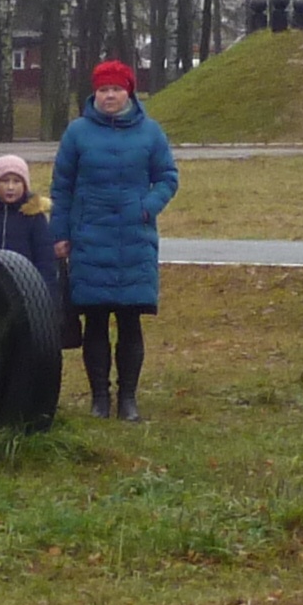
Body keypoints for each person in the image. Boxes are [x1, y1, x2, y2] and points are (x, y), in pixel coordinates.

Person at [50, 58, 180, 421]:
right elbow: (61, 187)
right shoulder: (77, 133)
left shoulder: (150, 133)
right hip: (89, 236)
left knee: (129, 321)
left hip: (133, 238)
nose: (110, 96)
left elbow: (168, 176)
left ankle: (128, 399)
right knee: (94, 321)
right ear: (95, 93)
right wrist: (59, 233)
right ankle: (99, 399)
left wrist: (147, 207)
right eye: (104, 90)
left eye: (116, 90)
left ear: (129, 92)